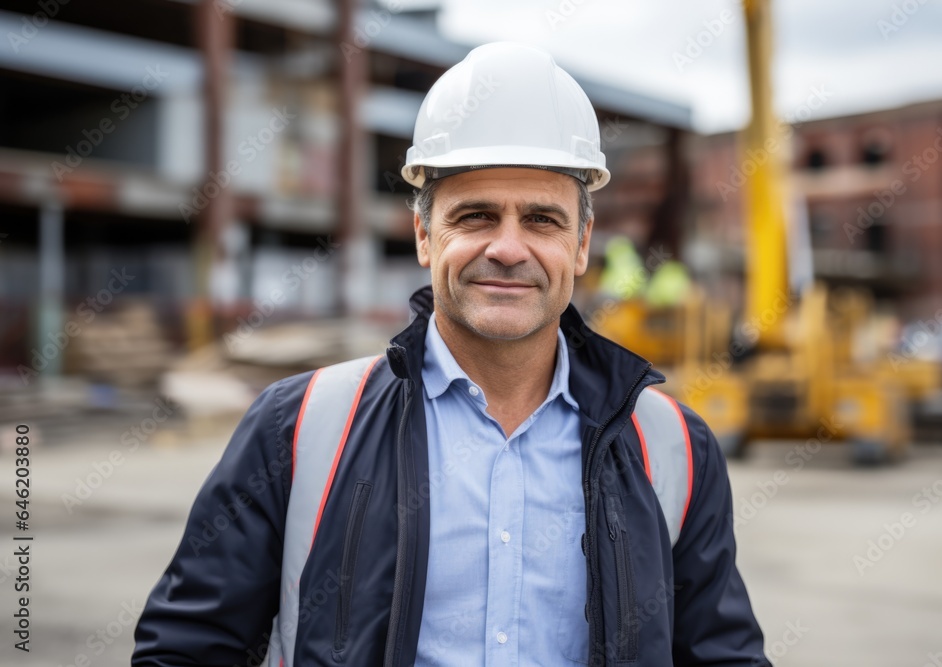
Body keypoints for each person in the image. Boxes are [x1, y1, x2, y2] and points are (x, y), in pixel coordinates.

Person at [132, 42, 770, 667]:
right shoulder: (298, 428)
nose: (509, 248)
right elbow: (187, 649)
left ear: (581, 245)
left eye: (542, 220)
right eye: (476, 216)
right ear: (423, 236)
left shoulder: (675, 448)